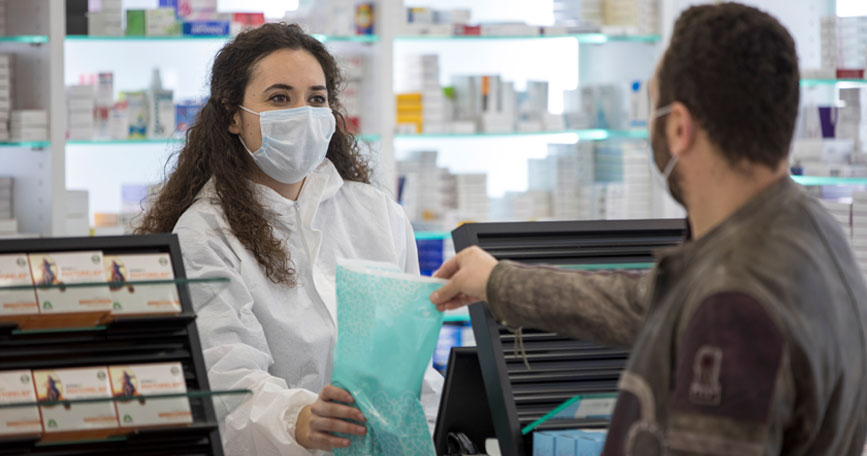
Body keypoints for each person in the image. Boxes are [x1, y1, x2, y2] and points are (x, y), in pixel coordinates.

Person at [431, 4, 867, 454]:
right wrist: (498, 281)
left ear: (679, 128)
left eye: (652, 106)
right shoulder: (805, 232)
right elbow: (644, 304)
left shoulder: (735, 306)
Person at [136, 23, 443, 455]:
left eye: (316, 99)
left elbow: (414, 366)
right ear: (232, 117)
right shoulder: (204, 234)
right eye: (280, 98)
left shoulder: (376, 214)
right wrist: (299, 418)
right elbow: (227, 383)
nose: (302, 113)